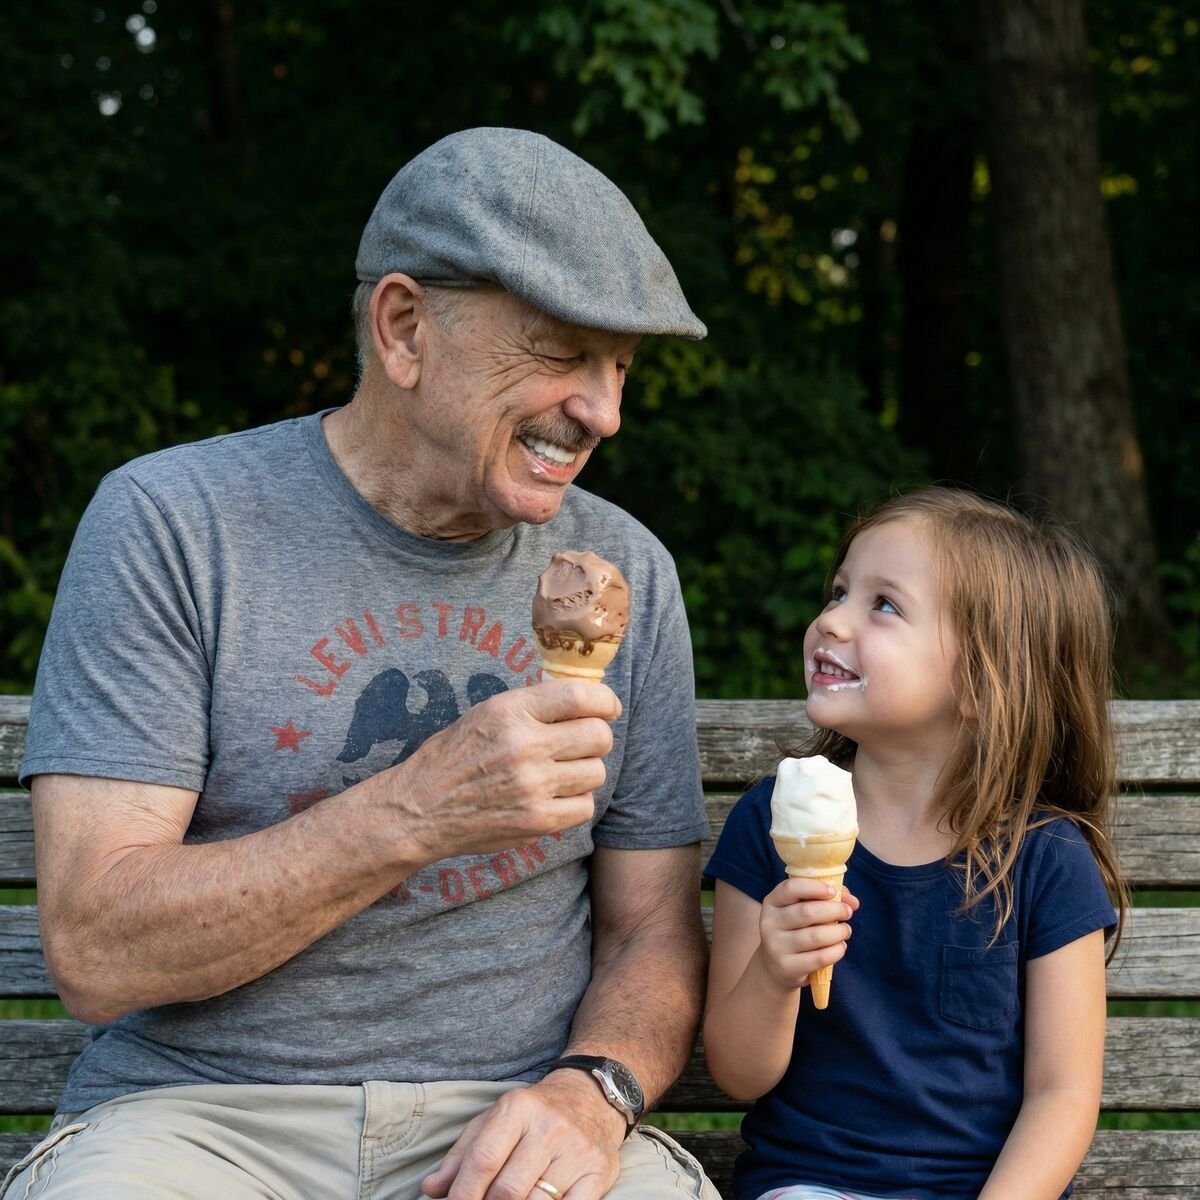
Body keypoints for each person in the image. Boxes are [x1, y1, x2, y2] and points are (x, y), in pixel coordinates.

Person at [10, 128, 720, 1200]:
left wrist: (593, 1093)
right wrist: (417, 811)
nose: (604, 412)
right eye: (562, 352)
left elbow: (652, 934)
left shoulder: (626, 570)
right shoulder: (175, 528)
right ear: (402, 328)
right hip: (201, 1125)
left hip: (515, 1118)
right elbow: (98, 946)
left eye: (621, 367)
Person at [703, 488, 1126, 1200]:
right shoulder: (772, 823)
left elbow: (1062, 1094)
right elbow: (740, 1074)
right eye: (839, 591)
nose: (830, 620)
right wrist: (773, 974)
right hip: (811, 1184)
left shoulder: (1046, 860)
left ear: (982, 681)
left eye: (883, 604)